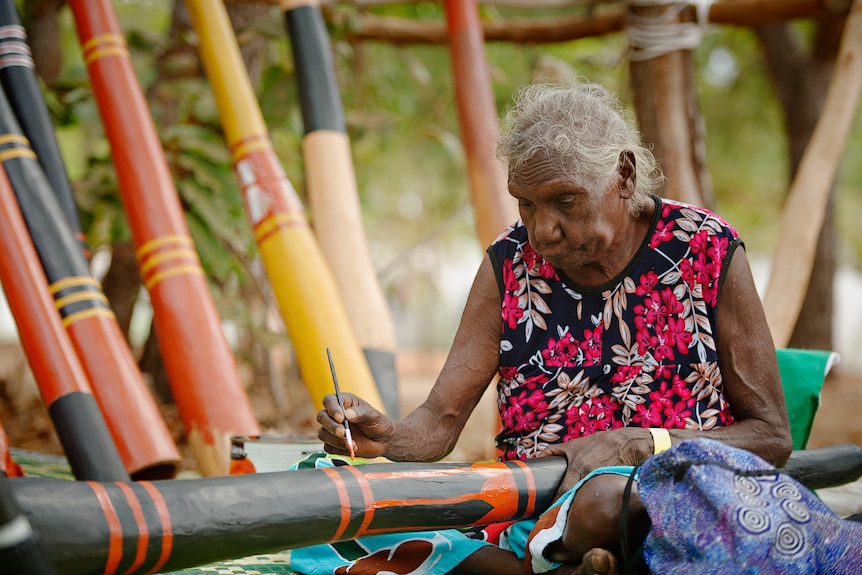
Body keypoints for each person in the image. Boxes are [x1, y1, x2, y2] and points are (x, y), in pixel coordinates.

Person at [312, 79, 793, 574]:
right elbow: (440, 418)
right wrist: (389, 437)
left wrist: (639, 443)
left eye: (565, 201)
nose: (542, 230)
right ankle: (551, 566)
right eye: (526, 203)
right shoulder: (509, 263)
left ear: (623, 176)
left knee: (608, 502)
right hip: (529, 513)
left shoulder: (705, 250)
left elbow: (771, 437)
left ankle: (533, 566)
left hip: (658, 506)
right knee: (321, 485)